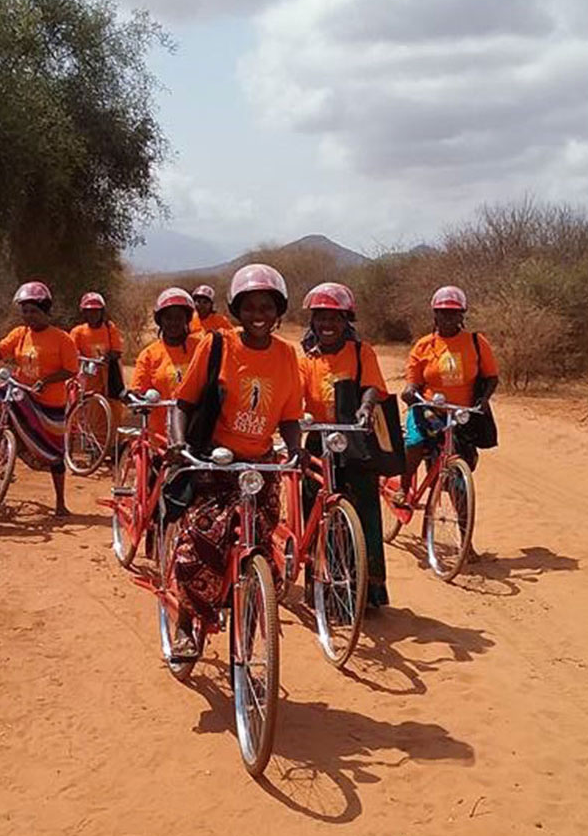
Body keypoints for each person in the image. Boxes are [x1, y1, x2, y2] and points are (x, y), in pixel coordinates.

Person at [167, 264, 304, 652]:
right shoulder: (217, 346)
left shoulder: (287, 356)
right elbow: (182, 403)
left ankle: (247, 617)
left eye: (267, 306)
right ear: (237, 310)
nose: (258, 314)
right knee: (197, 551)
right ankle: (186, 622)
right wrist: (180, 446)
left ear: (279, 312)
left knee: (262, 552)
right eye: (249, 306)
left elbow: (291, 415)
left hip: (260, 468)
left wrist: (294, 450)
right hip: (214, 466)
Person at [297, 282, 392, 608]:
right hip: (316, 439)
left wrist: (365, 408)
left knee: (364, 508)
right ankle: (317, 582)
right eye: (321, 317)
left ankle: (367, 589)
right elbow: (294, 394)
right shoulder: (307, 358)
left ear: (346, 321)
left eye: (334, 318)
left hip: (353, 437)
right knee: (313, 507)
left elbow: (372, 388)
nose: (327, 325)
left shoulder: (361, 352)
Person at [398, 286, 499, 537]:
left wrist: (484, 400)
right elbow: (412, 382)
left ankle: (465, 541)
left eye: (453, 313)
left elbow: (491, 377)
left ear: (462, 315)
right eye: (443, 313)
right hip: (428, 409)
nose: (448, 318)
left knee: (458, 478)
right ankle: (404, 485)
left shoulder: (476, 342)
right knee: (414, 443)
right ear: (435, 315)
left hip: (461, 413)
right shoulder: (424, 346)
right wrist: (411, 393)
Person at [0, 281, 77, 516]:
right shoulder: (20, 334)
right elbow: (1, 348)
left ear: (45, 311)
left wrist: (46, 381)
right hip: (21, 395)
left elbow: (71, 369)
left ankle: (60, 502)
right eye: (25, 311)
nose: (29, 316)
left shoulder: (62, 339)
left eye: (34, 311)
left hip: (50, 405)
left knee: (54, 453)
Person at [129, 287, 197, 440]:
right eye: (168, 318)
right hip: (161, 434)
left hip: (197, 430)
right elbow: (138, 390)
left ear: (187, 319)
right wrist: (135, 397)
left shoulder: (201, 348)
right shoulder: (149, 355)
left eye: (179, 317)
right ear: (160, 320)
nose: (174, 323)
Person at [68, 292, 124, 395]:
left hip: (109, 380)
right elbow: (72, 355)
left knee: (111, 407)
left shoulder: (109, 328)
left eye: (96, 311)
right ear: (84, 313)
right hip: (86, 380)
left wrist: (106, 357)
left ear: (102, 312)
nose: (92, 315)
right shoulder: (78, 332)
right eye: (88, 311)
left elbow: (117, 351)